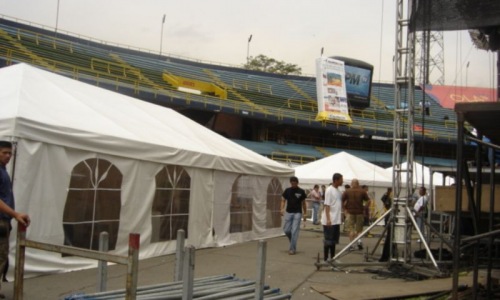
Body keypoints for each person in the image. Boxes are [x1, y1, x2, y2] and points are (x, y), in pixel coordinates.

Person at [0, 141, 31, 297]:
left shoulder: (3, 171)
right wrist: (15, 214)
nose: (8, 156)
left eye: (10, 153)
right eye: (4, 152)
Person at [280, 176, 307, 255]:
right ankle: (293, 241)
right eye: (292, 183)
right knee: (286, 230)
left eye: (294, 183)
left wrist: (305, 213)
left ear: (297, 183)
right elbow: (283, 200)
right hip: (289, 212)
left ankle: (292, 249)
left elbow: (304, 203)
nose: (293, 184)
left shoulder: (301, 191)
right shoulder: (287, 191)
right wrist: (281, 208)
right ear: (290, 183)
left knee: (294, 230)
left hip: (297, 213)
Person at [321, 173, 343, 262]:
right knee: (328, 240)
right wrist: (328, 219)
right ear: (336, 180)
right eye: (341, 180)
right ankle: (326, 259)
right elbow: (327, 205)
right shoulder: (329, 190)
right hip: (329, 220)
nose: (342, 181)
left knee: (334, 241)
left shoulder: (338, 190)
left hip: (336, 220)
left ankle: (332, 258)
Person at [342, 179, 369, 250]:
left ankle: (352, 245)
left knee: (351, 229)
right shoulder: (362, 191)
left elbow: (342, 200)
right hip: (359, 212)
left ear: (351, 184)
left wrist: (344, 209)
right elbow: (368, 200)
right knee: (359, 229)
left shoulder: (347, 191)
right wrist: (364, 207)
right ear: (358, 184)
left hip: (350, 212)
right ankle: (359, 241)